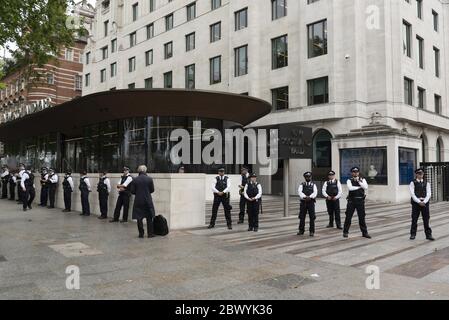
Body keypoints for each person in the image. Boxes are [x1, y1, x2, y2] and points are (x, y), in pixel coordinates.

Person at [343, 167, 371, 239]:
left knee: (362, 217)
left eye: (356, 172)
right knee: (348, 217)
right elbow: (350, 188)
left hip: (360, 201)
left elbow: (366, 187)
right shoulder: (349, 180)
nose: (355, 173)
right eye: (354, 172)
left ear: (358, 172)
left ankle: (364, 233)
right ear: (351, 173)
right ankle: (345, 232)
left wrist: (359, 182)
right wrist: (359, 187)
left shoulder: (362, 179)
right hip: (351, 201)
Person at [409, 168, 435, 241]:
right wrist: (418, 202)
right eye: (419, 174)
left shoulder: (427, 183)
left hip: (425, 203)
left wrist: (424, 202)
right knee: (414, 219)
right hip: (416, 203)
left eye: (422, 174)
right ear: (416, 174)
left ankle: (428, 235)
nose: (421, 175)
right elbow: (412, 194)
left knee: (426, 219)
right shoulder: (412, 183)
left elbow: (429, 194)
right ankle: (413, 234)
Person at [131, 165, 156, 238]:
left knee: (139, 218)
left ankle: (141, 234)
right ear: (145, 170)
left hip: (138, 200)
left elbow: (132, 191)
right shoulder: (149, 179)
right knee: (149, 217)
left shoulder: (135, 179)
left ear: (138, 171)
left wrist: (138, 193)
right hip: (147, 200)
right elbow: (152, 190)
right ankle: (150, 234)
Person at [298, 172, 318, 237]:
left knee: (312, 217)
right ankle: (301, 230)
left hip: (311, 202)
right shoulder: (302, 184)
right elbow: (299, 192)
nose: (308, 178)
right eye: (306, 177)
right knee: (302, 217)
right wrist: (304, 197)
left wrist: (310, 197)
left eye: (309, 177)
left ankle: (311, 231)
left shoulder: (313, 185)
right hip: (303, 202)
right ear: (305, 177)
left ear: (311, 177)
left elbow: (315, 192)